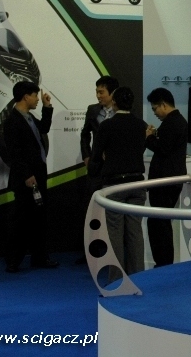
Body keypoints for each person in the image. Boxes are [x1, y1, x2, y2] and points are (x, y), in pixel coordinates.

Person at [3, 81, 58, 273]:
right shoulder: (12, 121)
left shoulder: (29, 117)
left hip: (38, 175)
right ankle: (13, 261)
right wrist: (27, 174)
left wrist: (47, 107)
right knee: (21, 220)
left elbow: (44, 128)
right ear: (26, 96)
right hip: (25, 179)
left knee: (39, 218)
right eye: (35, 96)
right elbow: (14, 153)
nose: (37, 99)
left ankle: (39, 258)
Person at [92, 87, 147, 277]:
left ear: (114, 102)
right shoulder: (140, 125)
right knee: (135, 232)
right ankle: (139, 276)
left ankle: (117, 279)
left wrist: (95, 171)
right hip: (137, 183)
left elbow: (96, 154)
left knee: (114, 233)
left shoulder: (107, 125)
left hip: (114, 184)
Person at [144, 88, 188, 268]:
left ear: (163, 105)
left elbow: (163, 148)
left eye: (155, 108)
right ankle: (164, 263)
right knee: (161, 223)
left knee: (159, 224)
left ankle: (163, 263)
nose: (154, 113)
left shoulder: (172, 123)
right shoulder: (177, 121)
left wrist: (149, 138)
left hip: (165, 181)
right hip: (170, 179)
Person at [77, 75, 117, 263]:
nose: (98, 96)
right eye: (97, 92)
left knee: (113, 212)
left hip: (115, 169)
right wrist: (86, 155)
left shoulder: (124, 111)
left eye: (101, 92)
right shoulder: (92, 110)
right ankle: (90, 253)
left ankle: (113, 253)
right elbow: (85, 135)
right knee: (91, 210)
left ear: (112, 93)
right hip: (95, 168)